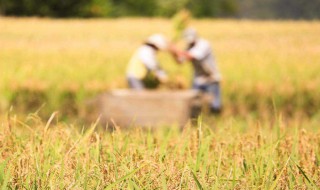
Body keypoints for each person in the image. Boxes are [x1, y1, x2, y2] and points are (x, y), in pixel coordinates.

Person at [171, 28, 222, 113]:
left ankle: (214, 120)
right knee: (194, 104)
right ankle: (197, 123)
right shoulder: (189, 47)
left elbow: (192, 56)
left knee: (214, 105)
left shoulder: (204, 44)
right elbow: (180, 61)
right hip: (198, 79)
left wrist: (176, 50)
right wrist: (172, 52)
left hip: (211, 78)